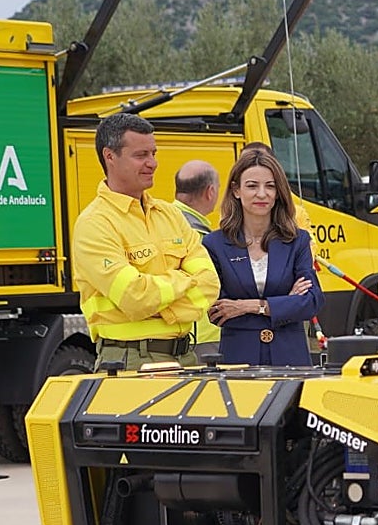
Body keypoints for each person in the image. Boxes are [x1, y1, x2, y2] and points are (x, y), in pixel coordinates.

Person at [72, 114, 218, 370]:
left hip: (186, 357)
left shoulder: (170, 214)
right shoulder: (94, 224)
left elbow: (210, 284)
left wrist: (161, 302)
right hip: (130, 362)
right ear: (110, 157)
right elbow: (135, 298)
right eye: (141, 155)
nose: (153, 163)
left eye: (153, 153)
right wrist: (184, 282)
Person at [203, 149, 323, 366]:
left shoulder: (298, 241)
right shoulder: (215, 244)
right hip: (238, 358)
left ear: (278, 192)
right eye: (252, 186)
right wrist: (285, 302)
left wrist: (248, 306)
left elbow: (311, 301)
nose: (262, 194)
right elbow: (217, 311)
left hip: (291, 357)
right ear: (236, 190)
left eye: (270, 186)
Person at [173, 160, 222, 359]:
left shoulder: (164, 221)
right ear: (210, 192)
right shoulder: (198, 235)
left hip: (176, 334)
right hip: (202, 337)